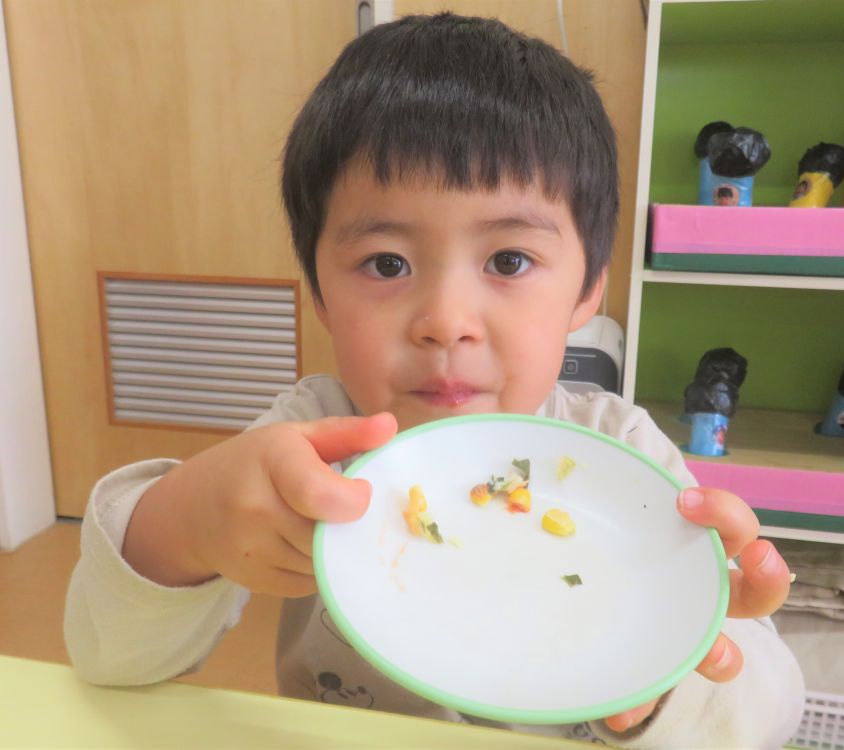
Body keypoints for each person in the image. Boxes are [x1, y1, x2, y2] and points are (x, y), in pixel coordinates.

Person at [64, 13, 804, 748]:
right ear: (320, 292)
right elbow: (108, 660)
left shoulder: (620, 454)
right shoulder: (311, 445)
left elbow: (771, 714)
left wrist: (670, 682)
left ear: (587, 292)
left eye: (508, 261)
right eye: (387, 264)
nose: (446, 322)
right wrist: (186, 524)